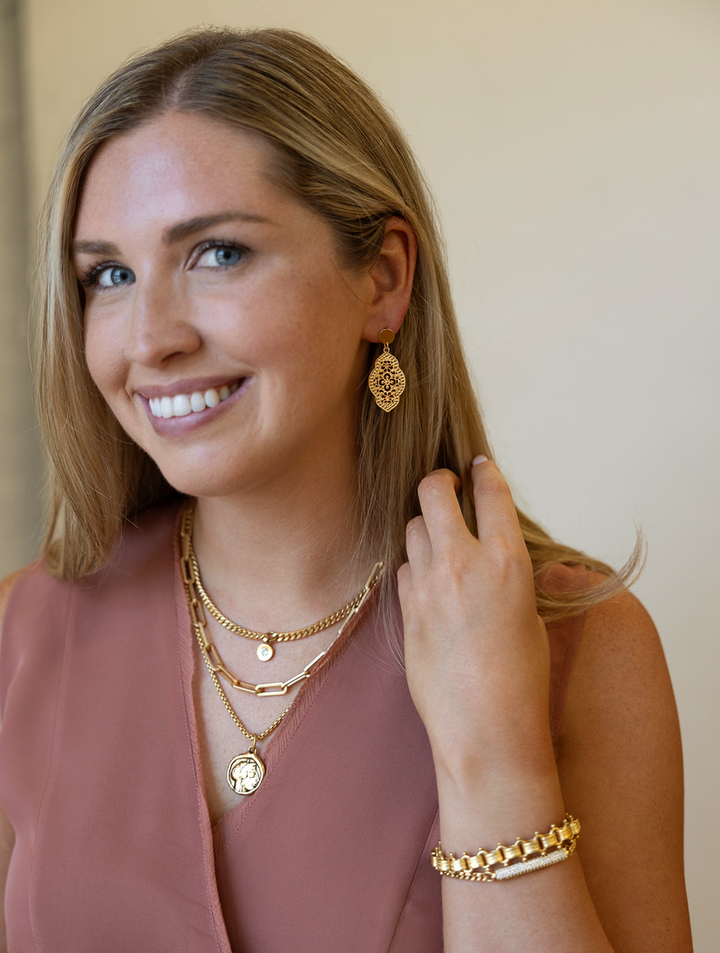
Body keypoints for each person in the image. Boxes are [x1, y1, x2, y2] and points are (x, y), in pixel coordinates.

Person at [0, 26, 692, 953]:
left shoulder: (582, 645)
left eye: (217, 253)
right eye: (110, 275)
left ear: (383, 280)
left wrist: (495, 759)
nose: (149, 337)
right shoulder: (24, 634)